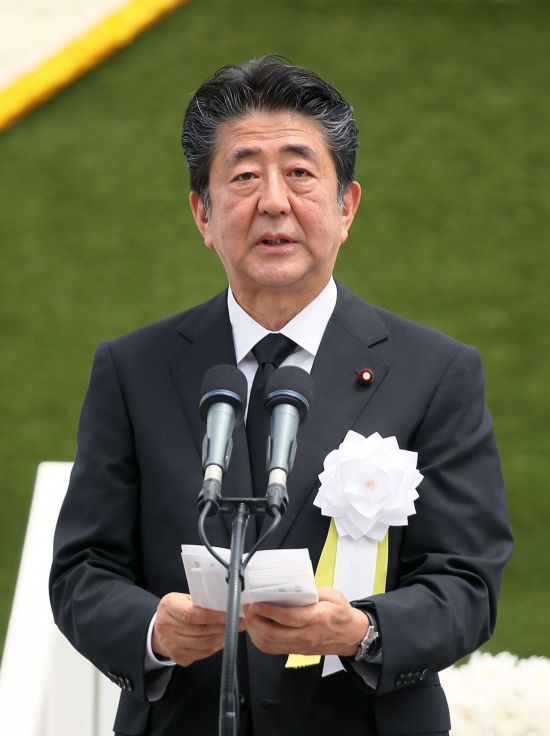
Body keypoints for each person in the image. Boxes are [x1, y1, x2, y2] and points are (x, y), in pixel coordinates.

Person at [50, 56, 513, 736]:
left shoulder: (434, 372)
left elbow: (467, 584)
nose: (273, 201)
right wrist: (153, 630)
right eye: (243, 177)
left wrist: (362, 630)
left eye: (299, 173)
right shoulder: (133, 369)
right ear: (203, 214)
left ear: (346, 206)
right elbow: (82, 570)